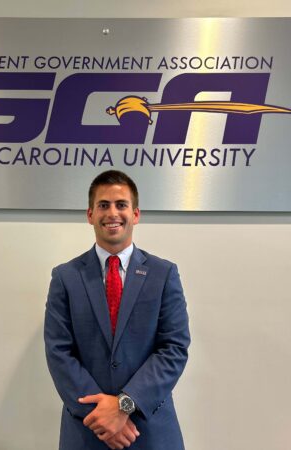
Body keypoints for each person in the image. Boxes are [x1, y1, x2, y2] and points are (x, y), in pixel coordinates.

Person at [44, 170, 190, 450]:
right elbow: (58, 352)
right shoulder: (65, 277)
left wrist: (124, 405)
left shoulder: (163, 274)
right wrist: (101, 416)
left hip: (150, 432)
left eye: (121, 205)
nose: (113, 213)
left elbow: (174, 347)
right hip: (88, 431)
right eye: (103, 205)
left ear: (135, 214)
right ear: (90, 214)